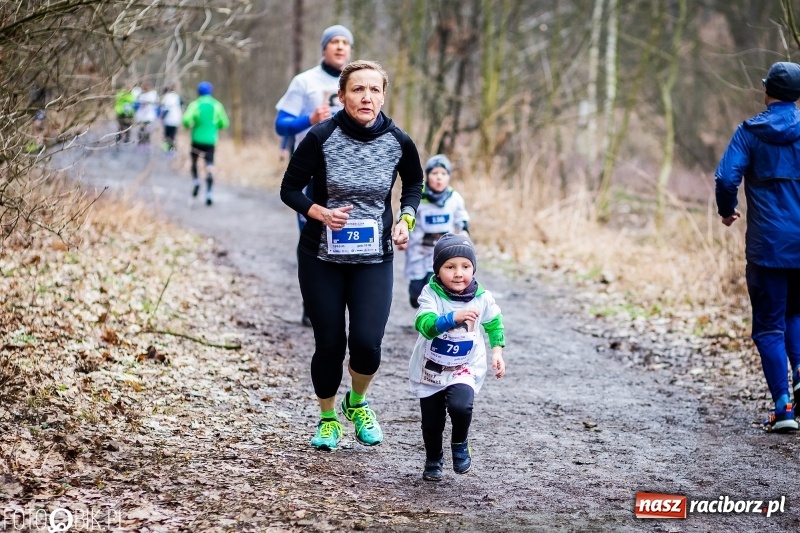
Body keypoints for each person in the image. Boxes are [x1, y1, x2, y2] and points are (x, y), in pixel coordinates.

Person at [280, 60, 424, 451]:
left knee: (367, 343)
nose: (366, 96)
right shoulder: (321, 136)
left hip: (373, 259)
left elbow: (414, 182)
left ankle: (356, 402)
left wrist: (406, 220)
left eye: (374, 89)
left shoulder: (399, 140)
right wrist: (319, 212)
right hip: (320, 258)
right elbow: (289, 189)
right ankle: (328, 418)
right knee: (329, 344)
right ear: (341, 96)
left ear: (383, 95)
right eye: (357, 89)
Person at [715, 61, 800, 433]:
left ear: (768, 92)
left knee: (768, 327)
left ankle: (783, 409)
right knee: (796, 315)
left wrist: (727, 209)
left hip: (767, 247)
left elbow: (725, 176)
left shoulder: (749, 132)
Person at [408, 233, 506, 481]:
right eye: (450, 267)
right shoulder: (430, 294)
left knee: (461, 406)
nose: (458, 273)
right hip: (431, 368)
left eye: (465, 266)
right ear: (438, 270)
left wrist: (497, 351)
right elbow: (425, 325)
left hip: (465, 366)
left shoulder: (481, 297)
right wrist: (453, 318)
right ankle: (433, 458)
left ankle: (460, 443)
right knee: (432, 423)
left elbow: (494, 322)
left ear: (474, 268)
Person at [275, 24, 353, 326]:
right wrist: (310, 118)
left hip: (347, 172)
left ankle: (341, 301)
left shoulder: (358, 82)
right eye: (334, 41)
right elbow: (280, 125)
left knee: (344, 234)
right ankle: (313, 300)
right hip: (309, 172)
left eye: (345, 42)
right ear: (324, 47)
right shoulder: (304, 81)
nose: (340, 46)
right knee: (312, 233)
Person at [399, 154, 470, 308]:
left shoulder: (454, 198)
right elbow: (405, 216)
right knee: (417, 292)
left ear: (449, 177)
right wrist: (403, 235)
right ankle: (417, 298)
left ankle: (434, 320)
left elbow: (461, 215)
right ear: (427, 175)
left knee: (437, 287)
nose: (439, 178)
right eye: (434, 173)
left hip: (442, 254)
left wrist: (463, 229)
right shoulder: (418, 198)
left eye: (443, 174)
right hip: (418, 251)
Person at [182, 81, 230, 206]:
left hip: (196, 139)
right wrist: (215, 125)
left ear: (198, 92)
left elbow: (186, 120)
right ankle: (209, 192)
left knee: (194, 162)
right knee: (209, 164)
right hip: (210, 140)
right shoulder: (217, 105)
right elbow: (225, 123)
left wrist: (192, 125)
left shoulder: (195, 104)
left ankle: (196, 180)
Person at [160, 85, 183, 154]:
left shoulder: (167, 97)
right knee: (173, 135)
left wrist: (162, 117)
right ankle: (171, 149)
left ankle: (167, 150)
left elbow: (166, 108)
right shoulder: (178, 97)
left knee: (167, 136)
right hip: (176, 120)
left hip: (168, 120)